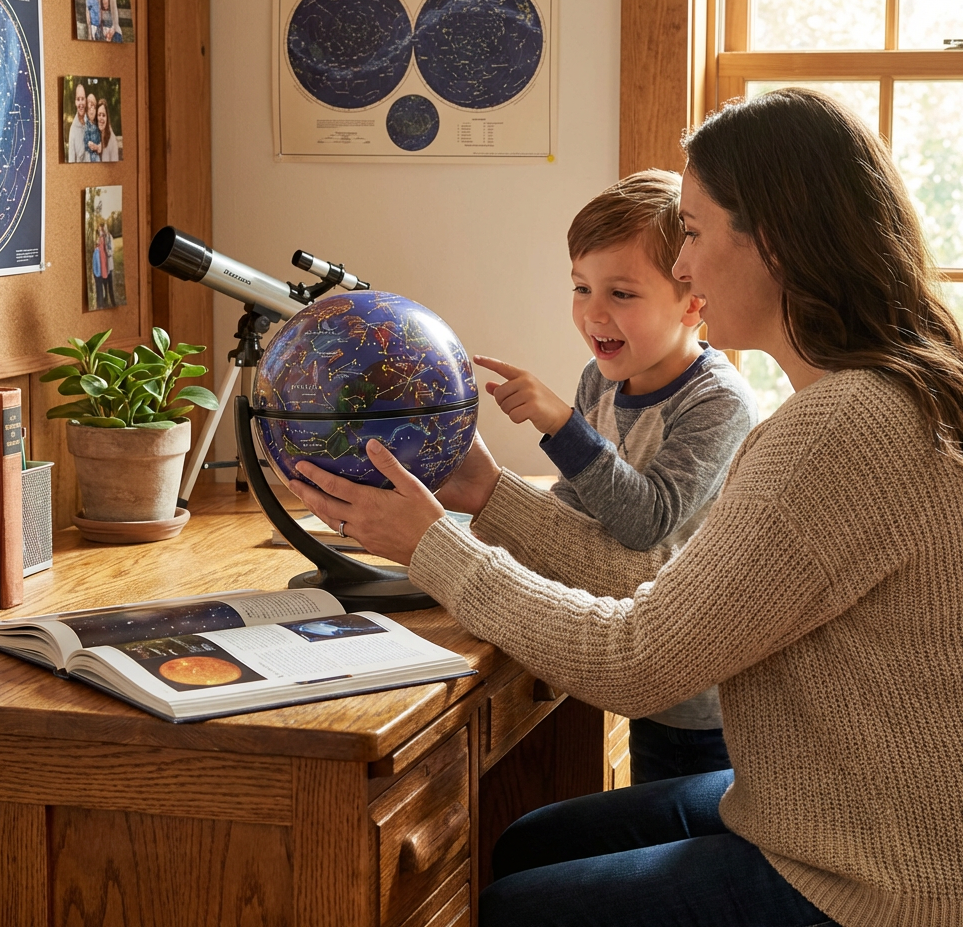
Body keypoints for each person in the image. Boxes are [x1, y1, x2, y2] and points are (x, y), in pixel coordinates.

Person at [287, 88, 963, 927]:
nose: (683, 268)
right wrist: (487, 494)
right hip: (833, 811)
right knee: (527, 843)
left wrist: (435, 545)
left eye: (694, 232)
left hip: (877, 879)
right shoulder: (885, 393)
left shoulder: (837, 431)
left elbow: (636, 661)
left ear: (774, 241)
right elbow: (654, 586)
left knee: (516, 906)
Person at [475, 169, 757, 782]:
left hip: (705, 700)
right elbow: (575, 508)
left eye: (621, 294)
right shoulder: (598, 381)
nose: (593, 313)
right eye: (581, 288)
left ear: (694, 301)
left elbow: (646, 521)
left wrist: (560, 426)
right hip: (628, 662)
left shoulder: (718, 402)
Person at [66, 81, 89, 162]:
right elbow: (71, 160)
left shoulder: (92, 123)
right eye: (78, 99)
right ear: (75, 102)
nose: (81, 103)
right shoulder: (73, 130)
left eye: (82, 99)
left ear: (86, 100)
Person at [96, 98, 119, 162]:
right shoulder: (97, 134)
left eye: (103, 115)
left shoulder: (112, 140)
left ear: (107, 118)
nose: (101, 118)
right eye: (99, 115)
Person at [100, 223, 116, 306]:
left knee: (110, 284)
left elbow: (112, 249)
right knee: (104, 284)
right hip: (104, 266)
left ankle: (113, 302)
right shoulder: (101, 238)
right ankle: (106, 300)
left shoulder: (110, 237)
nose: (104, 230)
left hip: (109, 265)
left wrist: (108, 252)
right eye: (103, 229)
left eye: (105, 228)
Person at [84, 94, 101, 161]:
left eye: (93, 108)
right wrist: (89, 144)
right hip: (90, 156)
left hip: (99, 154)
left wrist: (99, 146)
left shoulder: (98, 124)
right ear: (86, 111)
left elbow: (102, 138)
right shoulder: (87, 125)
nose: (91, 110)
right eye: (89, 108)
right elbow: (86, 143)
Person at [91, 232, 106, 308]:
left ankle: (100, 304)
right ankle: (100, 303)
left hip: (98, 274)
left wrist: (96, 273)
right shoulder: (98, 251)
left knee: (99, 289)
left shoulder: (96, 252)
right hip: (99, 273)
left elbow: (96, 263)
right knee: (99, 289)